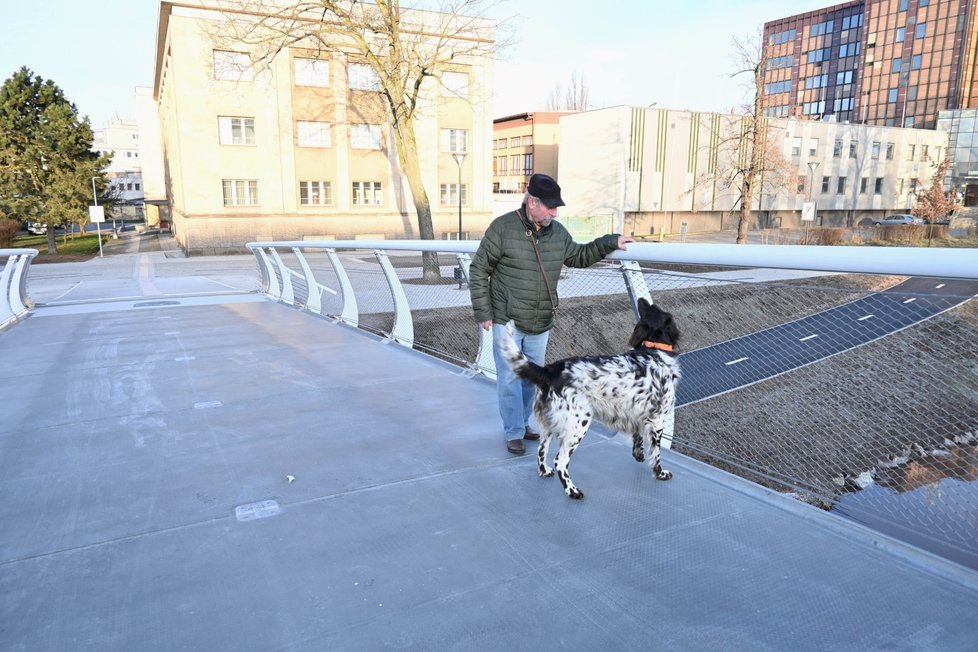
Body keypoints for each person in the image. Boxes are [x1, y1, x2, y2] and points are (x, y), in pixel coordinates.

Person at [469, 173, 634, 454]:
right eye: (550, 207)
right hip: (506, 319)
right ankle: (513, 432)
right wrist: (484, 312)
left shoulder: (557, 233)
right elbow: (478, 269)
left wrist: (610, 241)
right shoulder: (502, 228)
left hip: (540, 320)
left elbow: (579, 256)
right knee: (509, 378)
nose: (555, 213)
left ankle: (522, 423)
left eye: (556, 207)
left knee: (533, 379)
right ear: (532, 202)